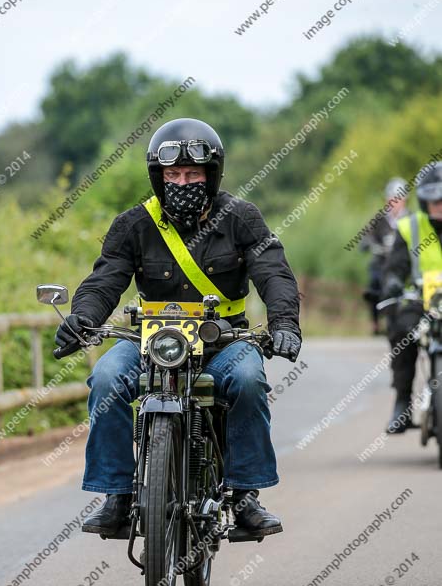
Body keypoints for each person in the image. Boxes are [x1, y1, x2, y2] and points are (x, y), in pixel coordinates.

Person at [55, 118, 302, 536]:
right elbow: (105, 279)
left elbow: (274, 273)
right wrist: (83, 318)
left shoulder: (241, 217)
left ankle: (244, 497)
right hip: (153, 339)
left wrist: (284, 324)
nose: (182, 181)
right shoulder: (133, 225)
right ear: (158, 176)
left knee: (247, 379)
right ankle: (117, 495)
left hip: (224, 339)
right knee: (106, 377)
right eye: (173, 174)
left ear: (211, 175)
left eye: (192, 173)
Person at [382, 162, 442, 433]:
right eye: (434, 199)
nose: (439, 204)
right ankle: (403, 402)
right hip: (422, 301)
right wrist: (393, 283)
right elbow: (394, 267)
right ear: (423, 199)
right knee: (402, 330)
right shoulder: (410, 227)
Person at [360, 177, 409, 334]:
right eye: (392, 198)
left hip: (403, 262)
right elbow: (367, 236)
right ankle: (374, 322)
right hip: (381, 261)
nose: (395, 202)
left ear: (405, 200)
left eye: (399, 198)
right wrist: (368, 244)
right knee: (374, 283)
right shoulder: (379, 219)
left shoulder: (411, 218)